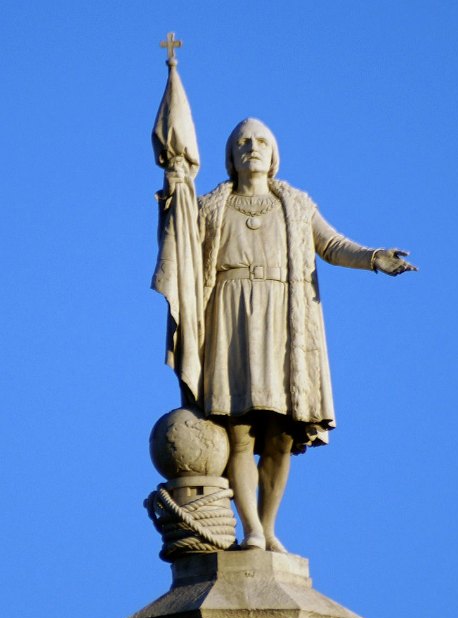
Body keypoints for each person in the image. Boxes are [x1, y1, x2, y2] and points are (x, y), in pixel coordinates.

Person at [161, 117, 416, 552]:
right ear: (230, 156)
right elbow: (180, 239)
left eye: (261, 141)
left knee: (280, 433)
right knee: (238, 430)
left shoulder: (295, 205)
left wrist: (374, 257)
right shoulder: (210, 207)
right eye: (242, 142)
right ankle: (252, 532)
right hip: (229, 313)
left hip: (283, 316)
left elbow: (333, 246)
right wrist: (176, 188)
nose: (251, 147)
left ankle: (269, 525)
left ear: (274, 154)